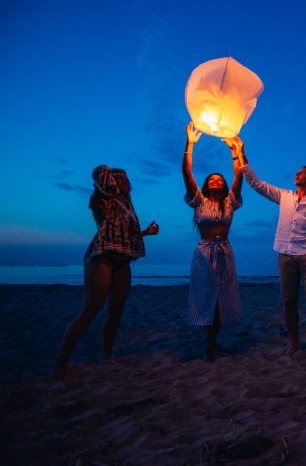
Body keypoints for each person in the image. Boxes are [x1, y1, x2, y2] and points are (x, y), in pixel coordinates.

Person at [52, 166, 159, 377]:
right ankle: (60, 364)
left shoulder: (128, 205)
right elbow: (99, 173)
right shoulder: (104, 199)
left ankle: (106, 355)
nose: (124, 180)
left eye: (126, 178)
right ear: (109, 181)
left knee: (116, 308)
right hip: (102, 255)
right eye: (118, 178)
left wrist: (145, 232)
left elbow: (124, 232)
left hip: (122, 259)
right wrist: (110, 176)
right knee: (92, 308)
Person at [237, 144, 306, 358]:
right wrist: (241, 154)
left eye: (302, 173)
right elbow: (257, 184)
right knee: (289, 301)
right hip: (285, 254)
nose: (297, 174)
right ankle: (294, 343)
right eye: (297, 172)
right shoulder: (284, 196)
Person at [183, 122, 244, 361]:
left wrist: (235, 152)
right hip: (204, 253)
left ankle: (213, 343)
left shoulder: (230, 201)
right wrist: (190, 144)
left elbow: (240, 174)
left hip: (225, 251)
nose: (217, 180)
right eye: (212, 179)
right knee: (206, 297)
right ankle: (208, 347)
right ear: (207, 184)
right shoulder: (198, 200)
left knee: (221, 300)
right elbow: (186, 173)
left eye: (220, 179)